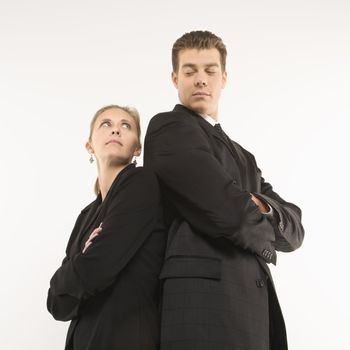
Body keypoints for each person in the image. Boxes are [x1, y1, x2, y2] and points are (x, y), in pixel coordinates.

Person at [144, 30, 304, 350]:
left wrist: (256, 203)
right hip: (201, 309)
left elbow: (295, 230)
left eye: (210, 70)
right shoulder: (169, 128)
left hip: (251, 314)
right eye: (190, 71)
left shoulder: (244, 156)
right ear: (175, 78)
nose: (200, 79)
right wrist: (255, 206)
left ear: (224, 78)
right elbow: (231, 215)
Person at [47, 105, 165, 350]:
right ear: (89, 145)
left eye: (126, 126)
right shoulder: (87, 215)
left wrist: (72, 269)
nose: (116, 131)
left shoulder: (140, 183)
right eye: (106, 124)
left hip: (127, 339)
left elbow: (98, 268)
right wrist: (82, 261)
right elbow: (56, 305)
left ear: (137, 147)